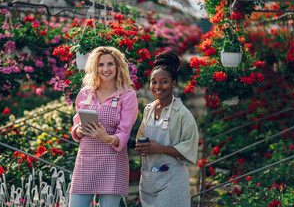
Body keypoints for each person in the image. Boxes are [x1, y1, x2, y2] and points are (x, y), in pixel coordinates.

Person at [69, 46, 138, 207]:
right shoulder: (85, 93)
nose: (105, 69)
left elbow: (124, 132)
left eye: (110, 64)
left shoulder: (127, 96)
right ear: (95, 67)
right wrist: (78, 130)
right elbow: (76, 124)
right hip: (85, 160)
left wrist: (107, 138)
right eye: (101, 65)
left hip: (112, 162)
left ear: (118, 66)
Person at [135, 50, 199, 207]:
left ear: (173, 82)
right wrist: (141, 146)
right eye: (154, 82)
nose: (158, 86)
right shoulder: (149, 110)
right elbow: (141, 137)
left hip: (172, 182)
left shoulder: (182, 114)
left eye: (163, 81)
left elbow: (189, 148)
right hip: (149, 180)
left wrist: (159, 148)